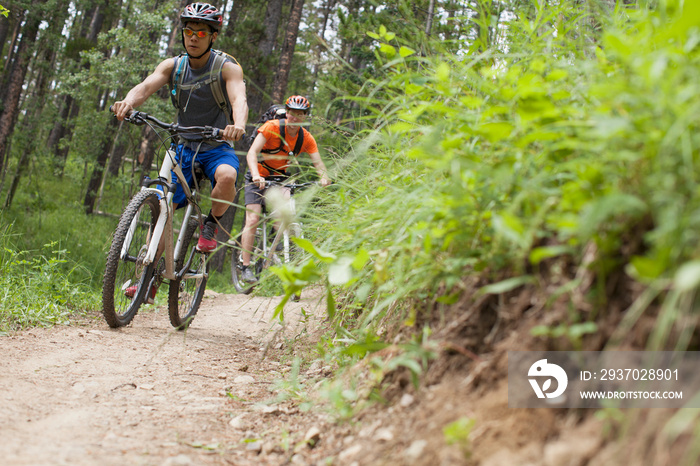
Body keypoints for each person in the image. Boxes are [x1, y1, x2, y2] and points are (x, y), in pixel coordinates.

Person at [112, 2, 247, 302]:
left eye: (201, 32)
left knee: (227, 176)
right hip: (182, 145)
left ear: (213, 37)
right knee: (162, 205)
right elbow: (145, 87)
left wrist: (238, 124)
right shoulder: (173, 65)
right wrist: (128, 102)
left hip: (215, 147)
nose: (193, 37)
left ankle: (210, 224)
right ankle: (146, 281)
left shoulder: (227, 68)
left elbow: (239, 99)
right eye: (189, 30)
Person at [240, 95, 332, 283]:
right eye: (292, 113)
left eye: (300, 114)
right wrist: (256, 175)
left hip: (280, 179)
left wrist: (323, 178)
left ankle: (282, 246)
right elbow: (252, 153)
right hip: (257, 177)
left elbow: (318, 162)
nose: (295, 117)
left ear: (305, 116)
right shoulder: (271, 127)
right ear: (286, 112)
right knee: (253, 218)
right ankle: (246, 266)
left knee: (286, 216)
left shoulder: (305, 138)